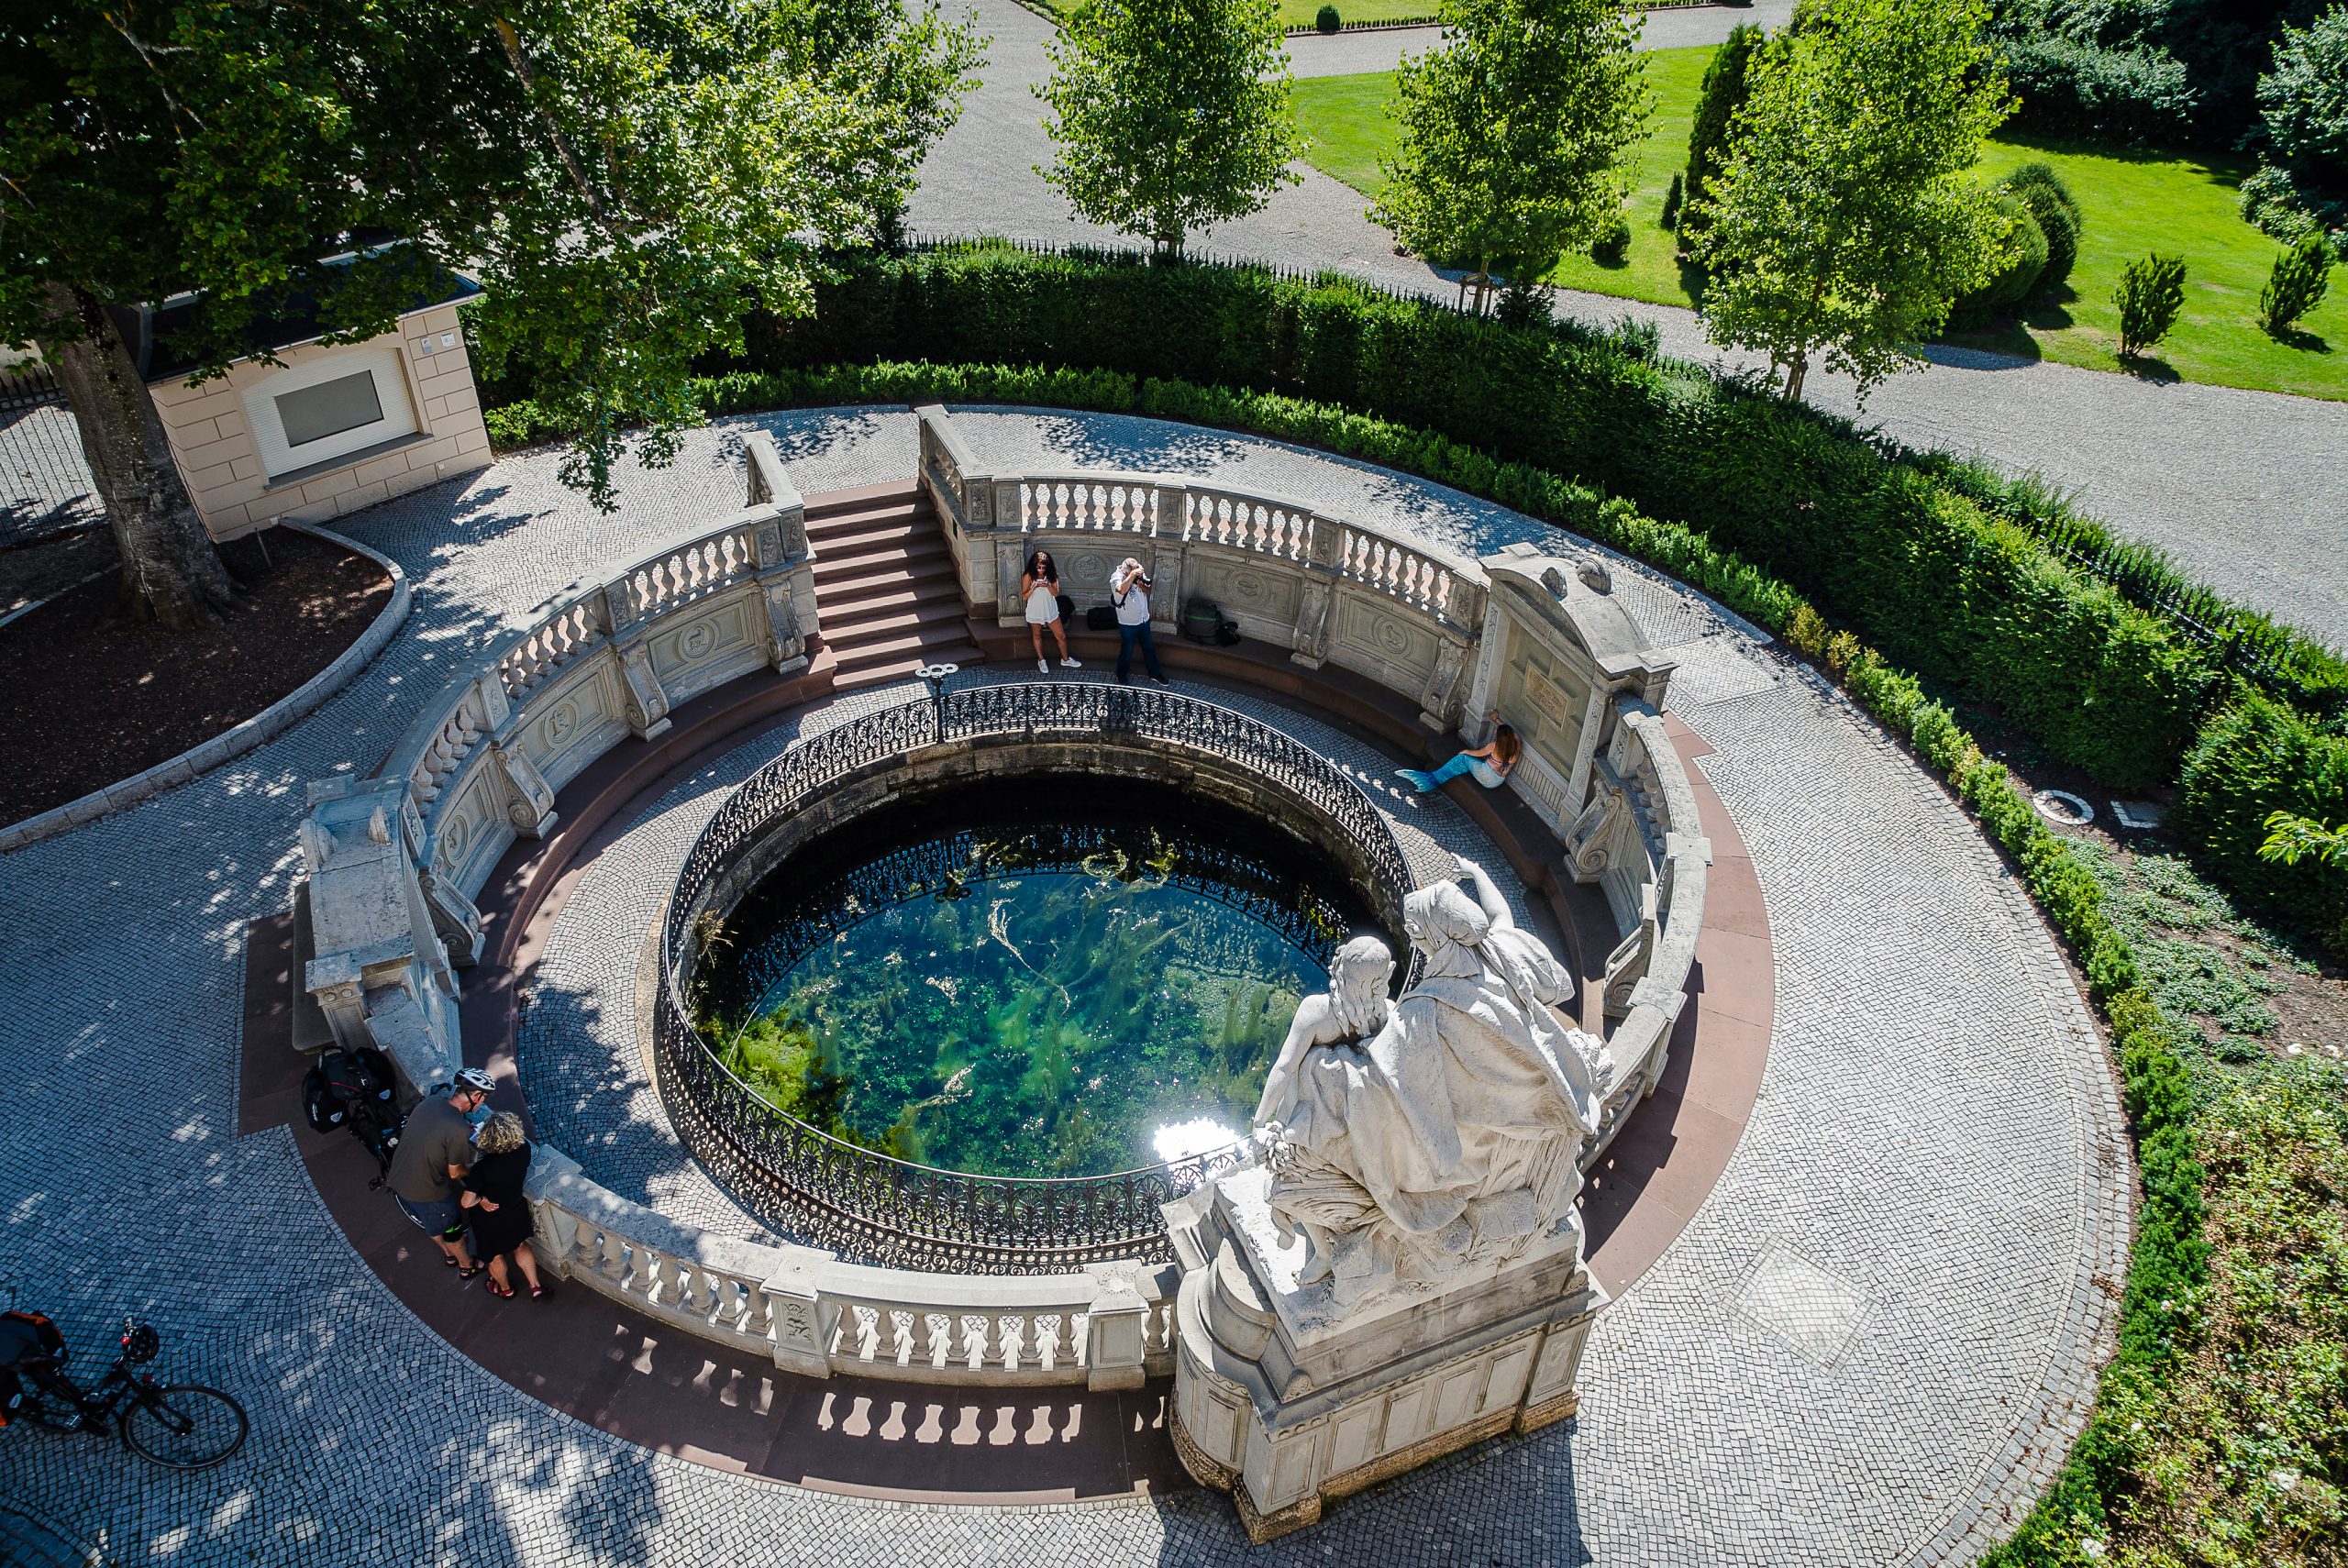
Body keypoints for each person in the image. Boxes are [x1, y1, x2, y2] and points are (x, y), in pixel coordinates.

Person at [385, 1066, 495, 1279]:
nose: (483, 1103)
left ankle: (448, 1254)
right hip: (429, 1193)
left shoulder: (432, 1102)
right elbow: (455, 1172)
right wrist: (476, 1170)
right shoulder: (457, 1129)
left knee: (432, 1226)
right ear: (476, 1096)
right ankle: (465, 1265)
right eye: (484, 1098)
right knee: (452, 1231)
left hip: (399, 1177)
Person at [460, 1111, 546, 1300]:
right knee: (520, 1245)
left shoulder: (482, 1169)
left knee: (495, 1257)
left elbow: (466, 1202)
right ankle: (535, 1286)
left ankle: (506, 1289)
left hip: (489, 1221)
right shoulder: (523, 1150)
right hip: (515, 1210)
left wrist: (481, 1199)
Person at [1398, 717, 1519, 793]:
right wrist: (1497, 720)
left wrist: (1465, 752)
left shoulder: (1494, 746)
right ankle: (1432, 779)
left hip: (1486, 777)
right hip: (1497, 781)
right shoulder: (1517, 745)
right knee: (1466, 764)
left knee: (1462, 759)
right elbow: (1510, 732)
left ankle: (1431, 780)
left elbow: (1477, 754)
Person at [1020, 549, 1081, 674]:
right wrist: (1033, 588)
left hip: (1050, 610)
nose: (1041, 570)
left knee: (1061, 636)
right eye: (1038, 567)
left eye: (1043, 567)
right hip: (1035, 611)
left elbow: (1055, 593)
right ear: (1034, 565)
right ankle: (1041, 660)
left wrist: (1048, 585)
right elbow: (1024, 596)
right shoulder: (1028, 576)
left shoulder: (1052, 575)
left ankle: (1065, 659)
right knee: (1037, 635)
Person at [1111, 557, 1168, 686]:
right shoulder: (1116, 577)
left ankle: (1154, 673)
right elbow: (1121, 590)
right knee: (1127, 651)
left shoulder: (1137, 571)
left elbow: (1149, 591)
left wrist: (1142, 586)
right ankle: (1121, 675)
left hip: (1144, 620)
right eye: (1133, 573)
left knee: (1149, 648)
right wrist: (1132, 576)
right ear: (1126, 572)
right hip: (1128, 624)